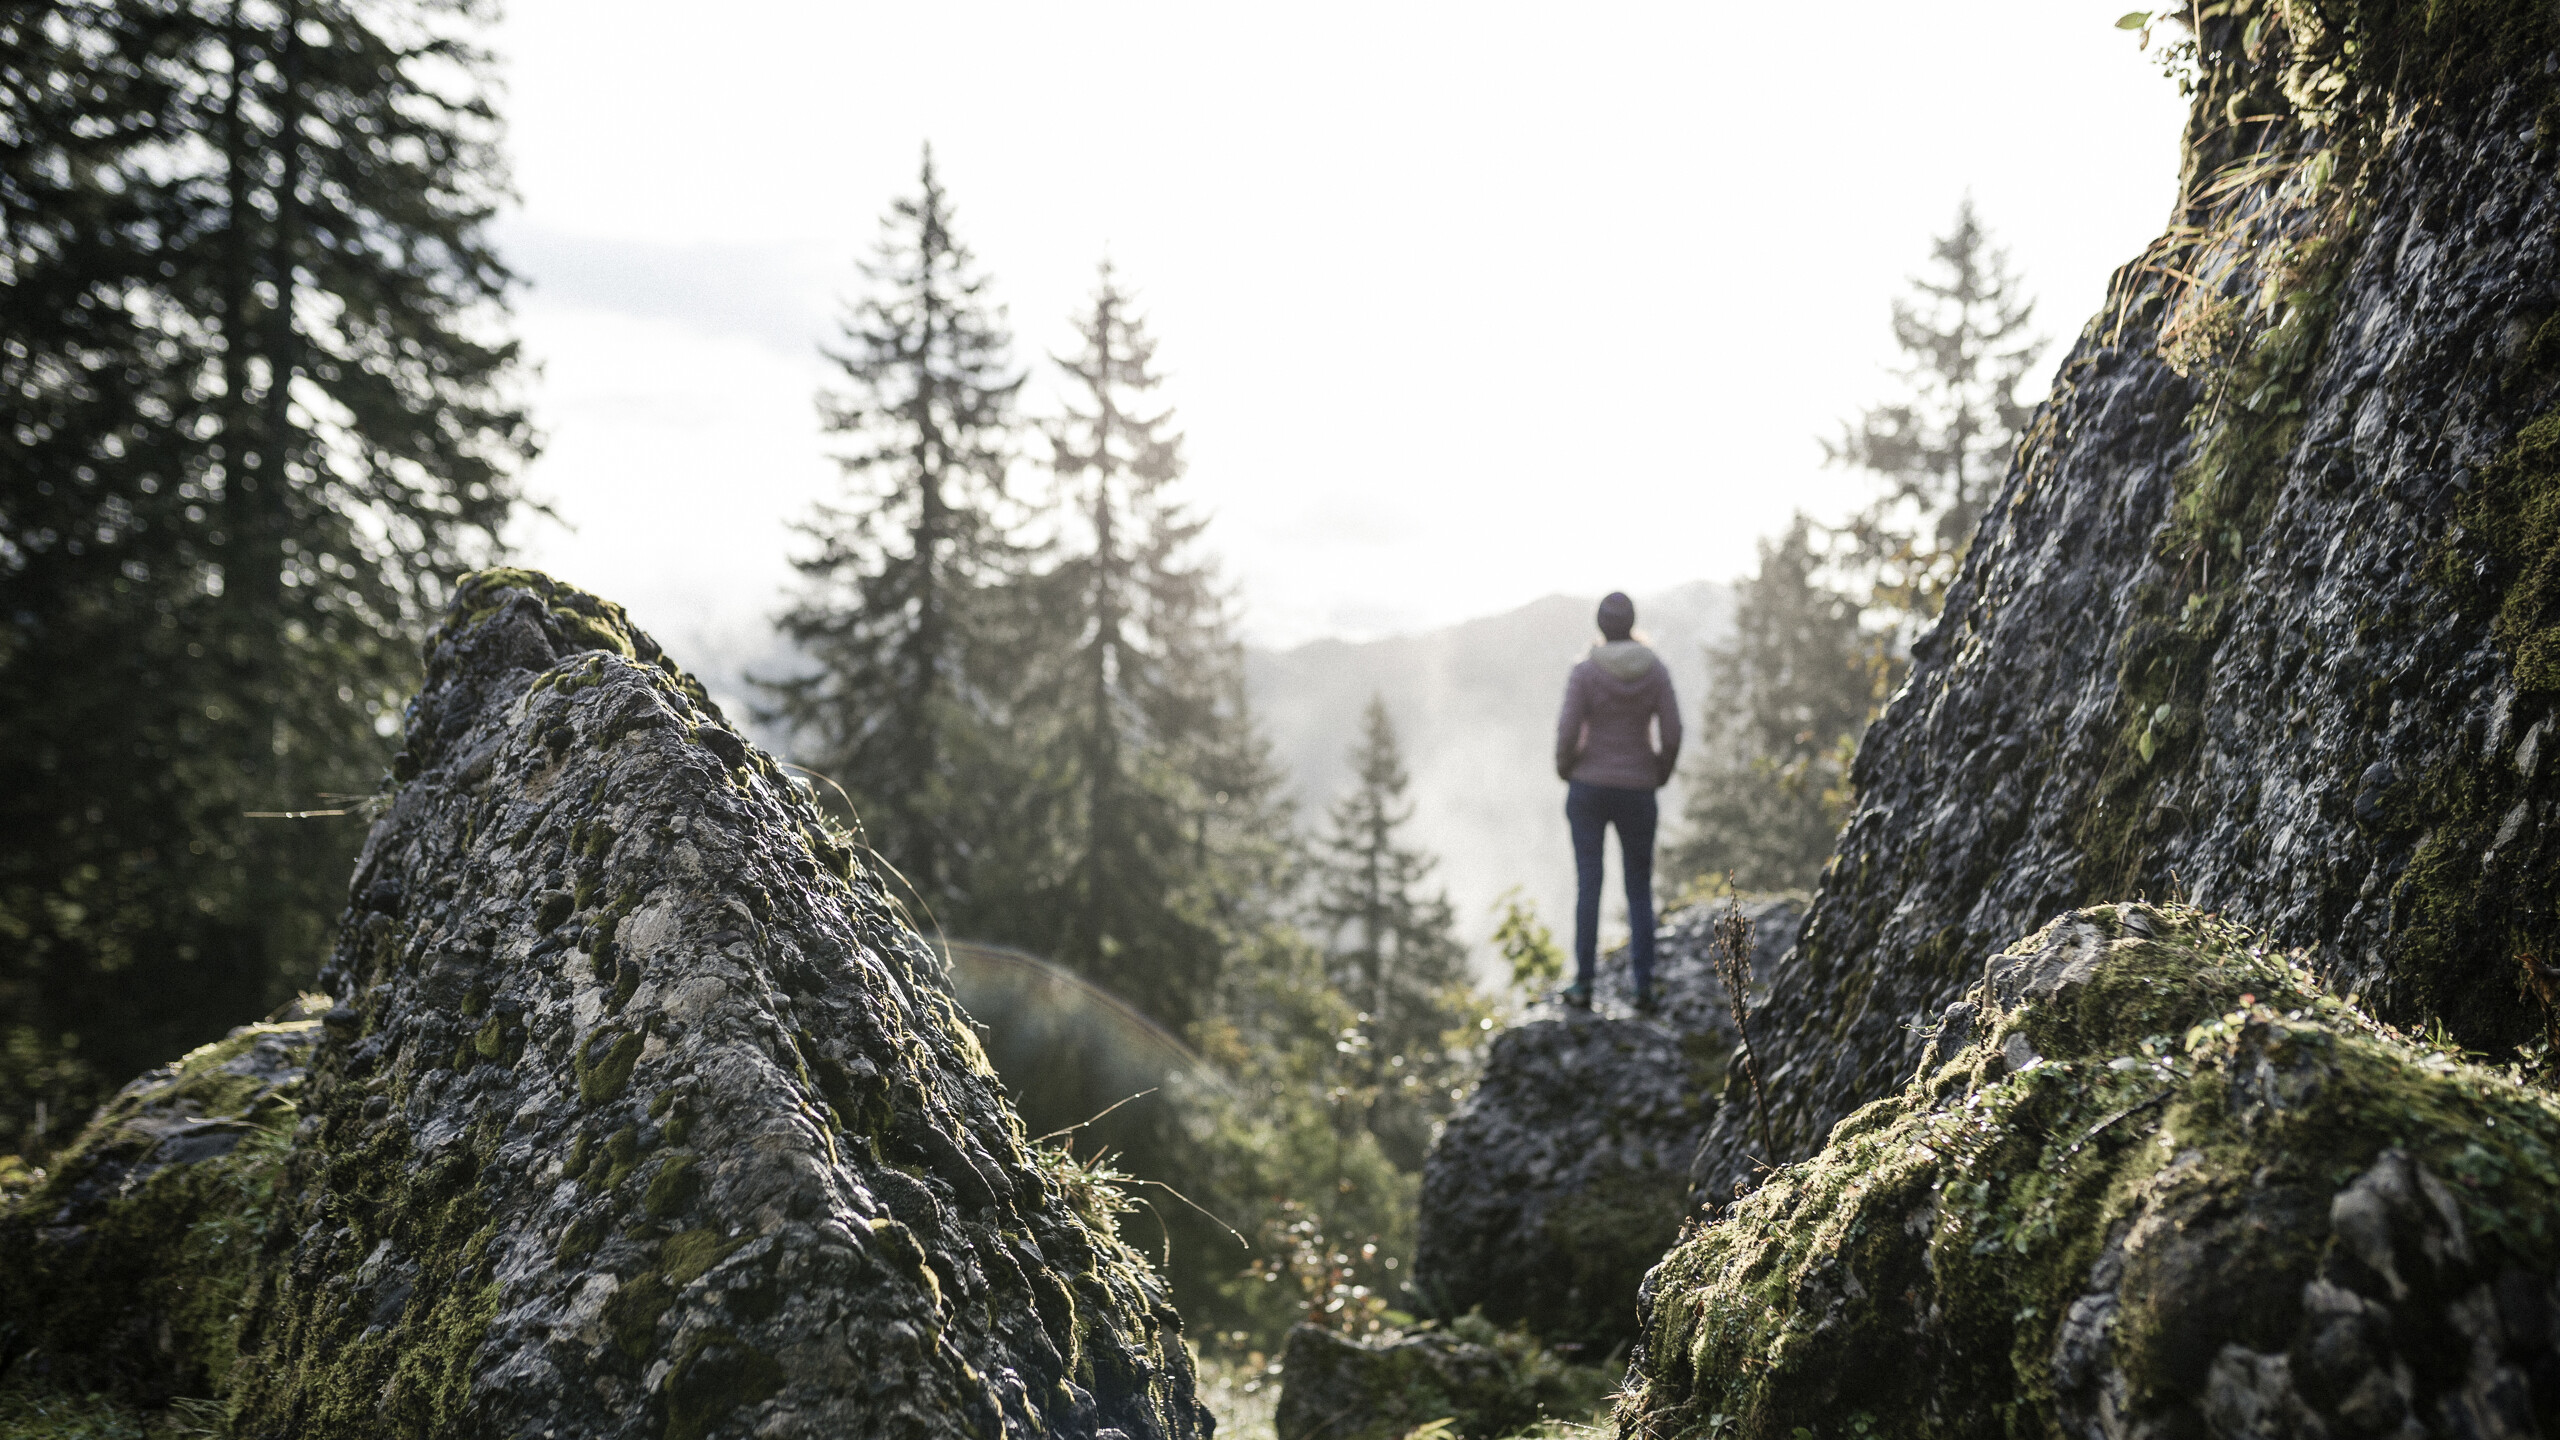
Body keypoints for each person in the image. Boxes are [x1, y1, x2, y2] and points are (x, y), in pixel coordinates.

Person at [1553, 591, 1681, 1013]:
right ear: (1631, 623)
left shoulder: (1586, 671)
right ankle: (1643, 987)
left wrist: (1566, 767)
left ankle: (1583, 985)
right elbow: (1673, 731)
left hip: (1588, 787)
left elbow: (1568, 731)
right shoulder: (1655, 670)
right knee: (1639, 887)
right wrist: (1656, 772)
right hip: (1638, 791)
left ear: (1601, 626)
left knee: (1589, 884)